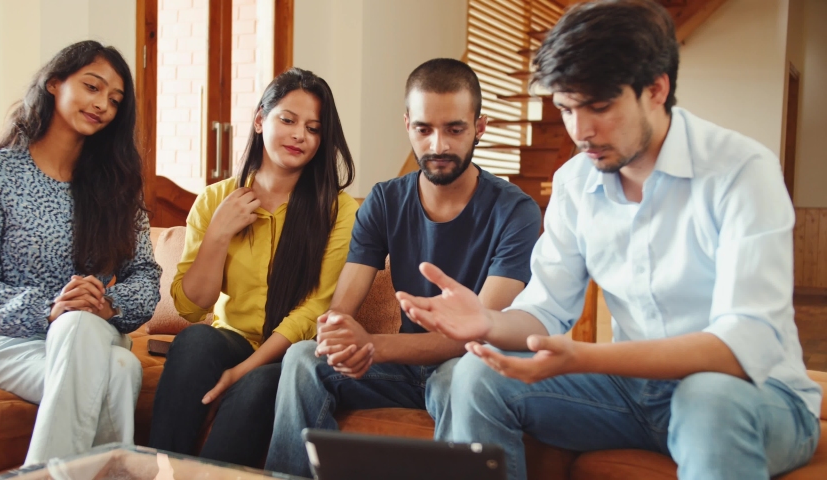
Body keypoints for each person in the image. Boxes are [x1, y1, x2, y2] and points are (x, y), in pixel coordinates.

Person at [398, 2, 823, 479]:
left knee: (707, 398)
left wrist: (586, 357)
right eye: (566, 109)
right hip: (632, 394)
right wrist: (488, 321)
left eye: (599, 107)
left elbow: (743, 343)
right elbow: (545, 309)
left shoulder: (740, 170)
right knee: (475, 376)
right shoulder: (575, 181)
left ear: (656, 89)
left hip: (753, 395)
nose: (581, 131)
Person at [264, 58, 543, 478]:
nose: (438, 145)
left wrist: (373, 346)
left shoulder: (516, 211)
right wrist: (339, 337)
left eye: (455, 129)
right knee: (303, 358)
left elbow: (477, 333)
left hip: (468, 364)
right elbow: (340, 310)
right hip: (404, 367)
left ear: (479, 127)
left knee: (463, 379)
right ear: (407, 125)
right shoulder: (384, 201)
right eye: (424, 129)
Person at [0, 41, 161, 465]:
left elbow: (146, 276)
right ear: (54, 83)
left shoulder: (117, 185)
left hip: (96, 332)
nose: (103, 105)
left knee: (80, 325)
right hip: (11, 344)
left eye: (115, 100)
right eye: (92, 87)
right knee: (120, 372)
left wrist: (107, 304)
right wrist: (50, 309)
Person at [147, 68, 358, 468]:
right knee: (195, 340)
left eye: (313, 128)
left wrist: (241, 371)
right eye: (288, 120)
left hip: (291, 354)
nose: (299, 135)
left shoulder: (338, 210)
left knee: (260, 383)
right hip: (233, 339)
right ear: (260, 120)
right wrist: (218, 234)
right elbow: (191, 307)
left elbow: (316, 310)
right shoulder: (215, 200)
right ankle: (160, 470)